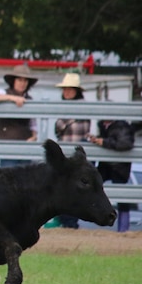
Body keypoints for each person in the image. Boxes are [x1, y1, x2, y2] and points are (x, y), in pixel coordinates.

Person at [53, 73, 91, 229]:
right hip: (65, 157)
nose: (67, 92)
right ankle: (67, 223)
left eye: (70, 89)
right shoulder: (64, 108)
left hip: (76, 159)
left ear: (77, 91)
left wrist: (63, 121)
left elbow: (61, 126)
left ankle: (71, 224)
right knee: (62, 191)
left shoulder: (83, 108)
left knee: (73, 192)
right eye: (65, 89)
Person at [0, 64, 39, 167]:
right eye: (19, 80)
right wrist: (12, 98)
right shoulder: (4, 93)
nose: (22, 83)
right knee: (8, 172)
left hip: (25, 146)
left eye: (25, 81)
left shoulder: (29, 99)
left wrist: (34, 136)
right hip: (7, 144)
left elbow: (33, 123)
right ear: (13, 81)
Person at [87, 119, 135, 232]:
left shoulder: (122, 126)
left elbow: (125, 143)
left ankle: (123, 230)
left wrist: (103, 142)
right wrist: (95, 140)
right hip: (106, 164)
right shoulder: (102, 125)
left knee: (122, 196)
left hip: (119, 166)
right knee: (90, 187)